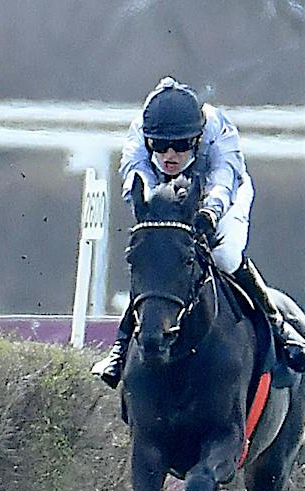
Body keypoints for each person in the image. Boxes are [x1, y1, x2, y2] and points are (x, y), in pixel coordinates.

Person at [92, 76, 305, 384]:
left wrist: (209, 212)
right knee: (158, 260)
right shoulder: (140, 128)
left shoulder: (218, 128)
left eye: (180, 146)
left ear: (197, 137)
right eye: (160, 146)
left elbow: (224, 177)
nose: (169, 156)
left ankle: (280, 328)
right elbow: (134, 174)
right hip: (166, 196)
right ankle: (120, 346)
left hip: (224, 195)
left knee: (226, 257)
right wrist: (157, 209)